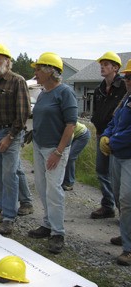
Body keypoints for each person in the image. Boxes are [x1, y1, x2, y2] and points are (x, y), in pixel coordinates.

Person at [28, 52, 77, 254]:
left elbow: (71, 124)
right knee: (41, 186)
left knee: (54, 190)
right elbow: (41, 118)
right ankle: (48, 224)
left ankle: (58, 233)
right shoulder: (43, 94)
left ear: (50, 71)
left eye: (38, 69)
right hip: (40, 147)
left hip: (55, 150)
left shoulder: (64, 93)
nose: (36, 73)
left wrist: (58, 152)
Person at [0, 44, 30, 235]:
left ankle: (9, 218)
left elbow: (24, 112)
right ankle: (4, 209)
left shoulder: (17, 81)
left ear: (8, 62)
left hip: (10, 134)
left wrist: (10, 137)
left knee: (9, 176)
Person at [100, 59, 131, 266]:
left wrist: (112, 140)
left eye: (130, 77)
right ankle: (126, 234)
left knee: (128, 201)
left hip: (127, 155)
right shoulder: (126, 99)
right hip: (117, 155)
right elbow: (114, 121)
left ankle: (128, 250)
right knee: (121, 200)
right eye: (127, 77)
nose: (128, 80)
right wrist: (106, 135)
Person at [90, 52, 126, 219]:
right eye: (101, 64)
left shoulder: (124, 87)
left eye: (106, 64)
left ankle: (124, 215)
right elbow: (97, 111)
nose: (102, 67)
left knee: (117, 176)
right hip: (101, 134)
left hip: (119, 138)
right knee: (102, 171)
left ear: (116, 68)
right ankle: (108, 205)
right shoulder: (99, 89)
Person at [62, 121, 91, 191]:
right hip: (73, 135)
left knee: (70, 157)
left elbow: (70, 135)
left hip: (82, 135)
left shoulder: (63, 119)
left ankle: (68, 183)